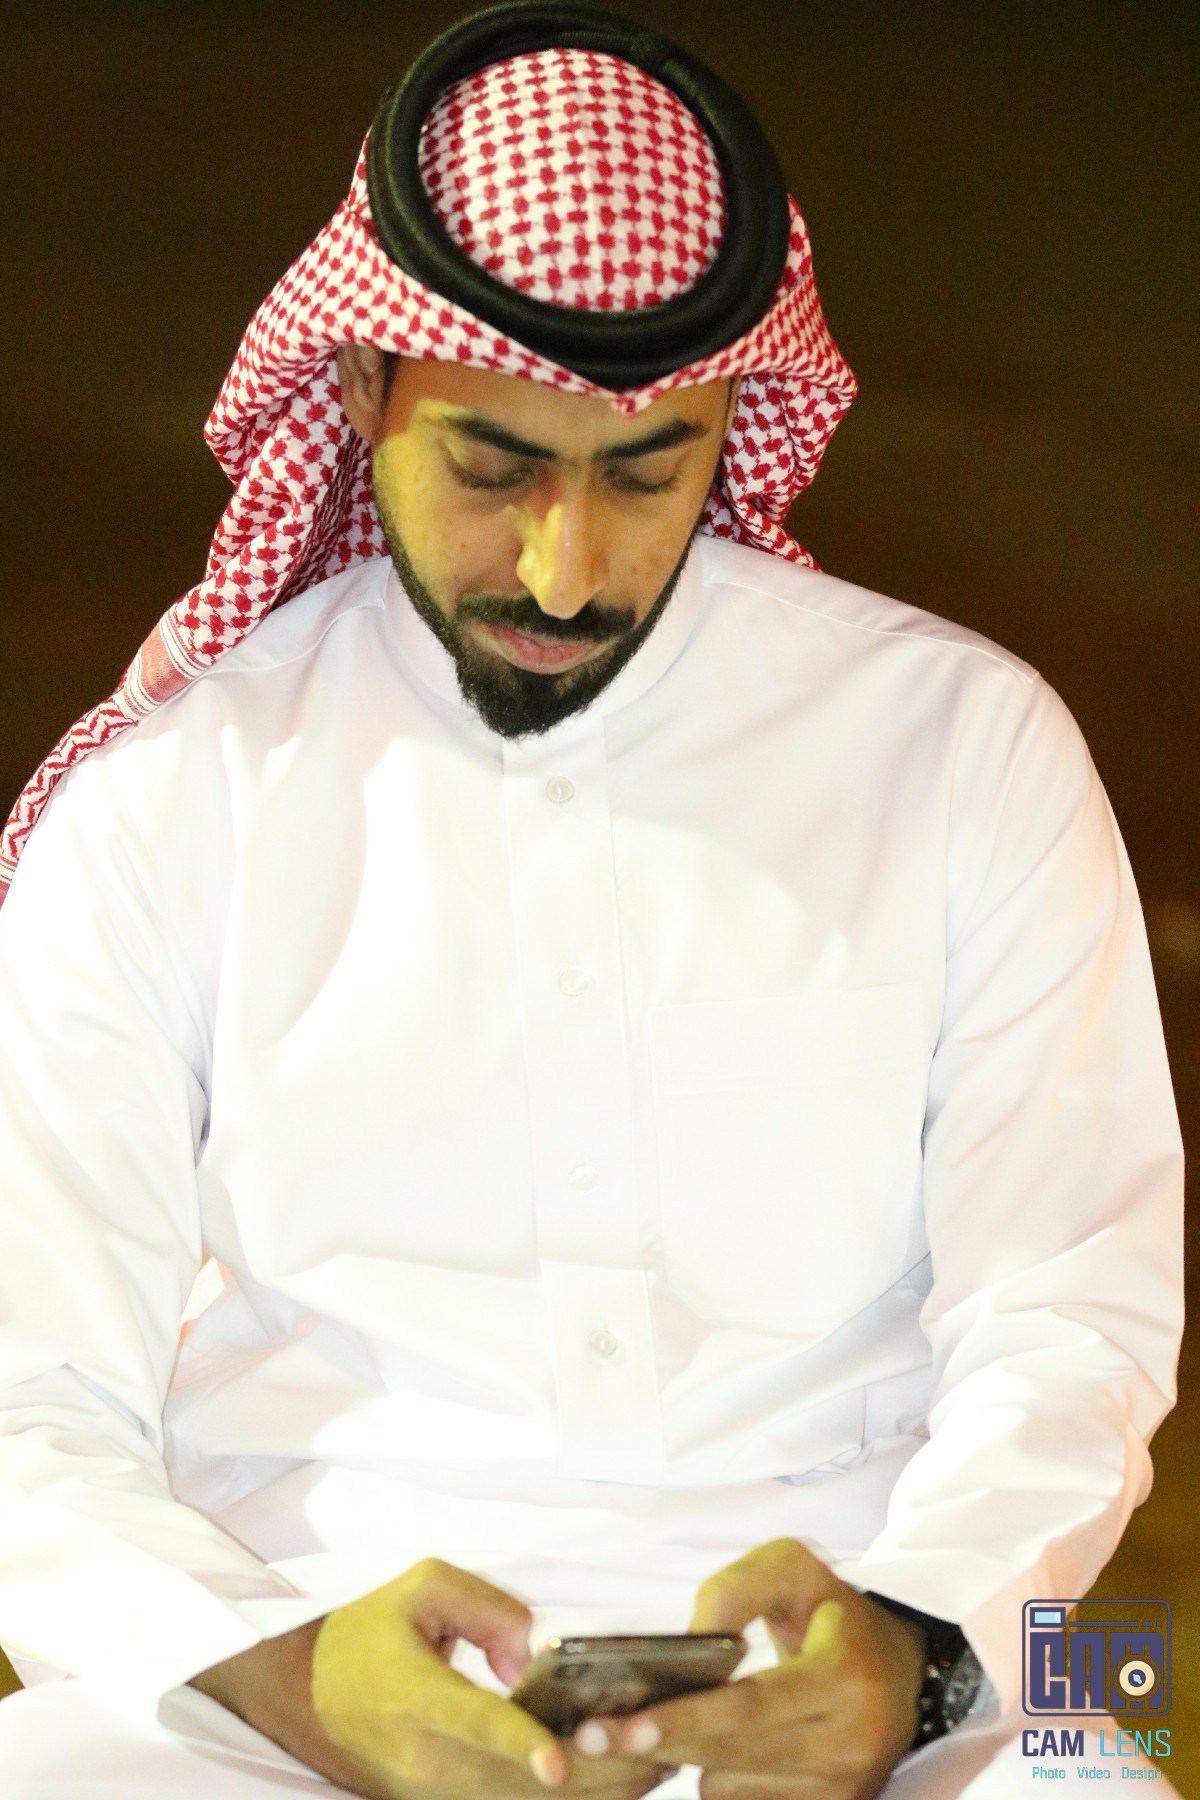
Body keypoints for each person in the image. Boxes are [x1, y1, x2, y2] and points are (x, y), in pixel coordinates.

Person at [0, 5, 1183, 1796]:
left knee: (1094, 1765)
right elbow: (30, 1392)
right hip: (303, 1675)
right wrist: (293, 1682)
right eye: (495, 469)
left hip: (851, 1683)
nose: (569, 570)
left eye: (648, 472)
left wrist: (923, 1652)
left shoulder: (963, 747)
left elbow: (1071, 1318)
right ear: (359, 389)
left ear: (733, 424)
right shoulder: (173, 799)